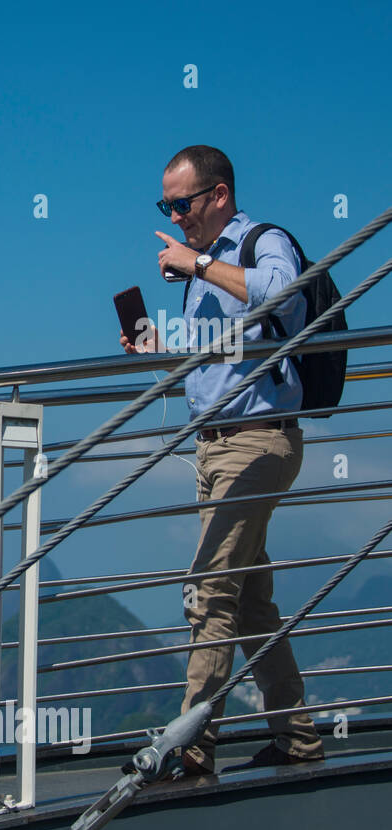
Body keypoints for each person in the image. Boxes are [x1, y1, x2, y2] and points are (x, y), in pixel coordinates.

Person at [120, 145, 324, 774]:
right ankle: (298, 741)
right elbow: (212, 355)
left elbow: (282, 298)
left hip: (257, 442)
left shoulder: (262, 242)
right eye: (167, 205)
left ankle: (190, 750)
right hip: (215, 447)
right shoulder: (200, 273)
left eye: (181, 204)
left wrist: (201, 263)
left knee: (210, 592)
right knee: (252, 601)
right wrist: (156, 345)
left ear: (219, 195)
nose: (175, 216)